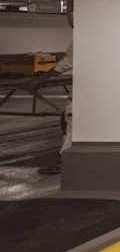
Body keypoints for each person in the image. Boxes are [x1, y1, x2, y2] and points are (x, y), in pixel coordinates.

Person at [24, 11, 73, 175]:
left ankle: (65, 160)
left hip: (83, 96)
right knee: (66, 123)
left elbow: (64, 65)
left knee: (69, 124)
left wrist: (39, 79)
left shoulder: (82, 41)